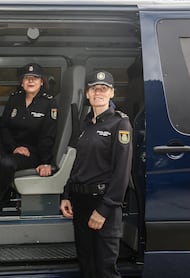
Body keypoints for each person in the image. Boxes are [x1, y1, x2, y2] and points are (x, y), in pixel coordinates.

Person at [60, 70, 133, 278]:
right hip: (80, 203)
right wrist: (66, 194)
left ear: (112, 93)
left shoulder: (120, 124)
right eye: (94, 89)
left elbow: (122, 172)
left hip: (103, 205)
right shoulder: (85, 123)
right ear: (87, 94)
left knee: (104, 271)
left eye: (104, 89)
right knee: (87, 267)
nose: (98, 92)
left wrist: (104, 209)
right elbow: (78, 162)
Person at [0, 63, 58, 223]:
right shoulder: (14, 99)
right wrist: (14, 147)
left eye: (35, 78)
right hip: (12, 148)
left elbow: (48, 135)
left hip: (34, 152)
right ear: (21, 82)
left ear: (41, 82)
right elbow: (4, 127)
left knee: (6, 164)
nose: (31, 81)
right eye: (27, 78)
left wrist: (46, 162)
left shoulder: (48, 103)